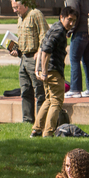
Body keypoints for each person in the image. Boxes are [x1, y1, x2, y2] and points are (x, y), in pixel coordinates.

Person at [33, 7, 77, 138]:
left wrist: (38, 69)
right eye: (69, 20)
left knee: (49, 100)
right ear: (61, 17)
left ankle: (36, 130)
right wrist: (44, 72)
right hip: (53, 71)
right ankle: (48, 133)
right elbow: (45, 50)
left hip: (47, 70)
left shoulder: (54, 28)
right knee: (57, 101)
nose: (71, 23)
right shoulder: (58, 31)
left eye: (74, 21)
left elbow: (41, 48)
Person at [53, 0, 89, 98]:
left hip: (80, 32)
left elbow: (73, 15)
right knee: (87, 60)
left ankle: (75, 89)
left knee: (74, 59)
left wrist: (69, 30)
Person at [8, 0, 48, 125]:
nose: (15, 10)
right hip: (24, 58)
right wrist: (16, 50)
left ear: (24, 3)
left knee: (39, 90)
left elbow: (44, 34)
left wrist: (40, 51)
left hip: (35, 58)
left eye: (16, 7)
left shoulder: (36, 14)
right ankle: (27, 120)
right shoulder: (20, 18)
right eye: (13, 7)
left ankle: (40, 120)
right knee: (25, 90)